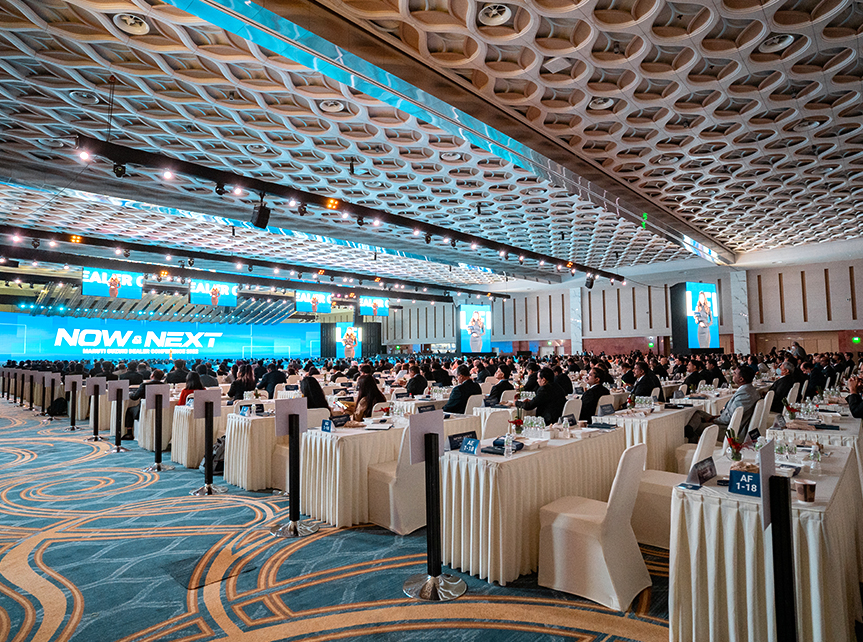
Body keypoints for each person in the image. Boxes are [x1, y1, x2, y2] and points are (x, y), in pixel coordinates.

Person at [685, 365, 760, 442]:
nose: (732, 375)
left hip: (730, 430)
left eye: (734, 373)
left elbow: (729, 418)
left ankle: (693, 442)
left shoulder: (745, 395)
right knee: (698, 413)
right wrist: (715, 417)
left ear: (741, 379)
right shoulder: (749, 390)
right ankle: (689, 430)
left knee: (697, 426)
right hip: (727, 421)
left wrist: (714, 420)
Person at [122, 369, 166, 438]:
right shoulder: (164, 386)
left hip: (144, 408)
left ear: (152, 375)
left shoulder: (144, 385)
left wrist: (130, 394)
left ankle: (129, 432)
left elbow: (135, 397)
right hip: (160, 409)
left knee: (129, 410)